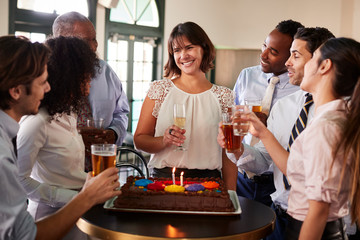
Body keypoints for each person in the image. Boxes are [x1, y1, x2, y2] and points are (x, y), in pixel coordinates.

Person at [0, 35, 120, 240]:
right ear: (16, 91)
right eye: (42, 82)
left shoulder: (68, 114)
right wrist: (82, 197)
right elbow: (24, 234)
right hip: (50, 215)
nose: (48, 88)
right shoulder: (32, 126)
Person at [219, 27, 334, 240]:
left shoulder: (338, 114)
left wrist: (263, 133)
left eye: (295, 55)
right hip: (280, 217)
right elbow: (264, 161)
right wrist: (238, 149)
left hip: (323, 225)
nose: (288, 62)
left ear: (323, 62)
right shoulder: (284, 106)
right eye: (289, 54)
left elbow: (303, 176)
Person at [242, 37, 360, 239]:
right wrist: (262, 132)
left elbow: (318, 210)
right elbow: (299, 172)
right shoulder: (338, 119)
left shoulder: (325, 128)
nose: (290, 62)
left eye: (312, 57)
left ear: (324, 66)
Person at [16, 36, 101, 239]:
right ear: (68, 77)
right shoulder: (37, 121)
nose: (90, 80)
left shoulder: (68, 113)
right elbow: (19, 180)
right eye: (84, 75)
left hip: (79, 207)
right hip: (48, 215)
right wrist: (70, 197)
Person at [134, 22, 234, 180]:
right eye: (177, 50)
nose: (183, 55)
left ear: (204, 48)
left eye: (189, 47)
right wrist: (164, 140)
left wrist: (231, 196)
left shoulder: (224, 96)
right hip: (164, 181)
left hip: (210, 185)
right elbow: (139, 140)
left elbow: (229, 155)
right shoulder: (159, 90)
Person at [234, 19, 304, 207]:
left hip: (278, 183)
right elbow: (232, 118)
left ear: (291, 56)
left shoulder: (301, 89)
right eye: (264, 46)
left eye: (273, 52)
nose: (263, 55)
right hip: (242, 177)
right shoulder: (247, 76)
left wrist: (266, 128)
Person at [52, 11, 130, 172]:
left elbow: (121, 112)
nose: (94, 46)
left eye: (94, 38)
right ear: (63, 40)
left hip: (101, 170)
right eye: (87, 41)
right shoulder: (43, 76)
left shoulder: (106, 72)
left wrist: (114, 133)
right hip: (57, 179)